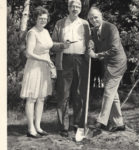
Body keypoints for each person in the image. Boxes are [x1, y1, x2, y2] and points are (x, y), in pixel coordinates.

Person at [52, 0, 90, 141]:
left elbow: (90, 43)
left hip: (81, 61)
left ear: (80, 9)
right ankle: (64, 126)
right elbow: (52, 44)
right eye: (72, 6)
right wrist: (62, 45)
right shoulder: (60, 23)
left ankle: (77, 124)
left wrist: (91, 45)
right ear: (68, 8)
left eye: (78, 6)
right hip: (64, 61)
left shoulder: (85, 24)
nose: (75, 8)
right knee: (63, 94)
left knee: (79, 93)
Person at [87, 7, 127, 134]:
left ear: (101, 16)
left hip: (117, 64)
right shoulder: (93, 31)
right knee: (113, 95)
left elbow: (115, 49)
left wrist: (96, 55)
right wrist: (90, 47)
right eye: (91, 18)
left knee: (108, 92)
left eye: (96, 17)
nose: (94, 20)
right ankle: (119, 123)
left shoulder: (111, 28)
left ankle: (101, 122)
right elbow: (92, 43)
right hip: (107, 65)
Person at [20, 6, 55, 138]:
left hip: (44, 67)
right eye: (40, 18)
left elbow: (48, 47)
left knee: (41, 98)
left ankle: (38, 126)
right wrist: (45, 60)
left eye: (45, 19)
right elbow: (29, 53)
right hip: (34, 66)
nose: (43, 21)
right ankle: (30, 128)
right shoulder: (32, 32)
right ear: (35, 18)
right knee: (32, 98)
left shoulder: (45, 31)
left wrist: (49, 63)